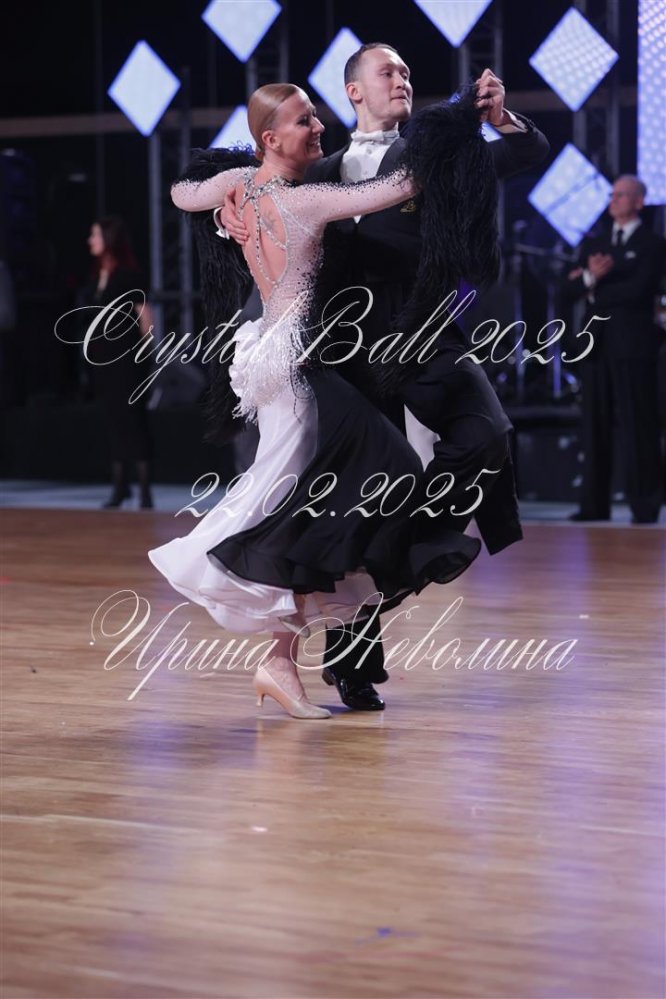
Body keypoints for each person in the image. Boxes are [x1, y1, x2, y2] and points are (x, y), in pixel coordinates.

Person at [148, 82, 500, 720]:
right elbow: (403, 185)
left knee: (307, 498)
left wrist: (226, 197)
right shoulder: (304, 200)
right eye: (304, 120)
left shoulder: (242, 184)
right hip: (296, 367)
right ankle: (260, 630)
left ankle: (281, 660)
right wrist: (457, 116)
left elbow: (179, 191)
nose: (318, 127)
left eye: (315, 116)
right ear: (270, 138)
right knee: (317, 491)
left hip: (276, 358)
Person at [220, 44, 550, 711]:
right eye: (388, 71)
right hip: (348, 350)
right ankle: (352, 664)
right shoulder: (322, 171)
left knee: (487, 434)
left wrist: (503, 119)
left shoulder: (436, 155)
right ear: (353, 92)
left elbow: (522, 154)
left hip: (426, 335)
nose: (402, 79)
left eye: (406, 71)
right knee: (360, 501)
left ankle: (410, 545)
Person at [562, 175, 665, 524]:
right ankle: (593, 504)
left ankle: (645, 504)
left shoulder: (653, 244)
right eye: (613, 194)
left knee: (638, 423)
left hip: (633, 345)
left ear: (638, 202)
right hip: (596, 344)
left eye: (622, 195)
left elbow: (640, 290)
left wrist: (595, 288)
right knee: (594, 425)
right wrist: (590, 279)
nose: (615, 200)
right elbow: (568, 289)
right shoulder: (596, 244)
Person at [81, 216, 155, 508]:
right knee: (113, 421)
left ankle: (145, 490)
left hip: (127, 359)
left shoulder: (127, 276)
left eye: (95, 235)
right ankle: (120, 486)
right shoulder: (95, 278)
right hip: (102, 361)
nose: (90, 241)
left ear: (109, 239)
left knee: (133, 420)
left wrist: (146, 356)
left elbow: (145, 318)